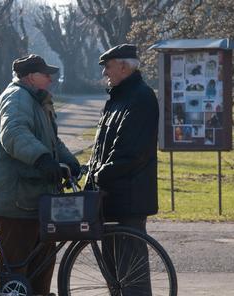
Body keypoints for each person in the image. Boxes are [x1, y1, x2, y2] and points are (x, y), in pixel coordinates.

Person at [0, 54, 80, 295]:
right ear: (29, 76)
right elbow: (13, 134)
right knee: (15, 275)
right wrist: (43, 159)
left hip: (36, 199)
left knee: (41, 267)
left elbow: (52, 141)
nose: (50, 77)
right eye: (45, 73)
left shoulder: (36, 100)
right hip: (17, 201)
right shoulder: (16, 98)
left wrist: (70, 162)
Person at [85, 44, 159, 295]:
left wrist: (98, 174)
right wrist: (91, 171)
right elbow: (103, 148)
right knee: (115, 274)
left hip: (129, 198)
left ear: (124, 67)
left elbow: (130, 152)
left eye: (108, 66)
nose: (105, 73)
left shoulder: (140, 97)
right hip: (112, 197)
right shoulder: (119, 98)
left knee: (131, 276)